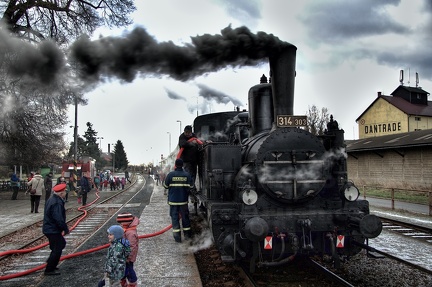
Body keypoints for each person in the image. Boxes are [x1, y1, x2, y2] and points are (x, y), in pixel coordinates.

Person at [163, 158, 194, 243]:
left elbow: (165, 186)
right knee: (185, 218)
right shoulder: (187, 175)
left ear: (175, 165)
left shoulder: (170, 175)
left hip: (173, 202)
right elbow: (191, 187)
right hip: (183, 201)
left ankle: (177, 238)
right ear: (182, 165)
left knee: (175, 219)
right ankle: (187, 236)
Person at [42, 183, 69, 275]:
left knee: (60, 244)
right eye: (65, 191)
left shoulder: (52, 199)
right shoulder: (57, 202)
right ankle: (49, 269)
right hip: (52, 229)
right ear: (61, 193)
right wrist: (65, 228)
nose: (66, 192)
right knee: (57, 248)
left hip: (50, 228)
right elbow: (58, 218)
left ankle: (51, 262)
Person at [116, 213, 139, 287]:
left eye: (121, 223)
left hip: (128, 257)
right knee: (123, 269)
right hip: (124, 256)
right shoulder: (126, 230)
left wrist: (128, 257)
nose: (120, 224)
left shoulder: (130, 233)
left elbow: (132, 247)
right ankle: (123, 280)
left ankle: (132, 283)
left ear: (126, 223)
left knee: (129, 270)